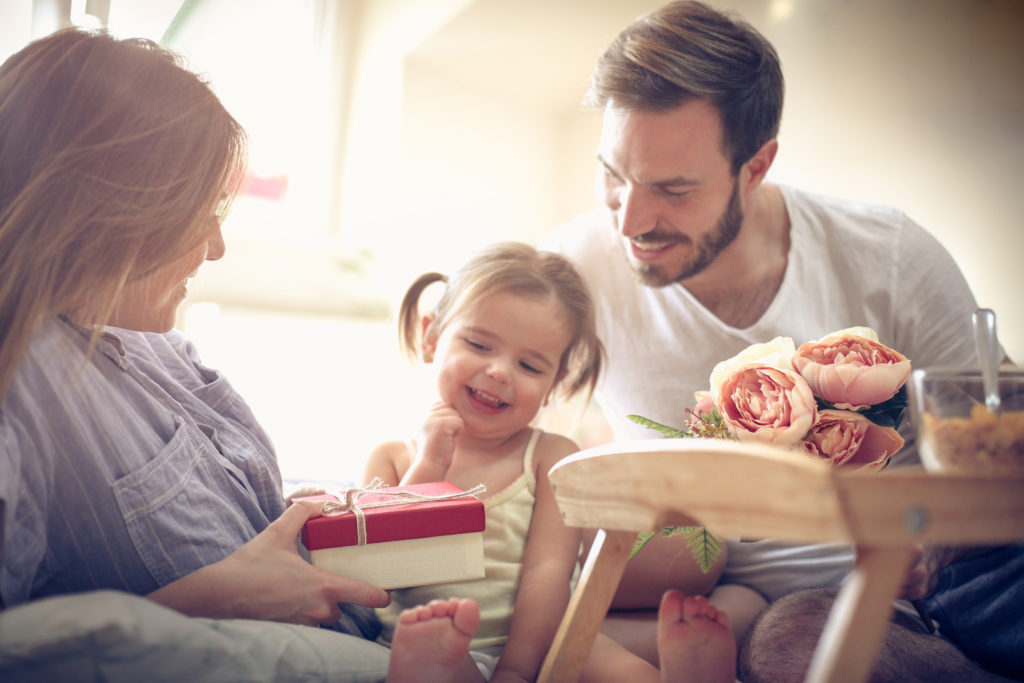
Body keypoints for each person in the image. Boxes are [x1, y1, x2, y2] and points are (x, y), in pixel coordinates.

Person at [542, 1, 1020, 680]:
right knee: (789, 638)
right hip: (741, 601)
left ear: (757, 165)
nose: (632, 219)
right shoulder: (574, 267)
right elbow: (489, 416)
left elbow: (1002, 448)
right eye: (614, 176)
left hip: (919, 587)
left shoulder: (888, 257)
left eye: (673, 189)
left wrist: (934, 547)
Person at [0, 27, 486, 682]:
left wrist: (297, 514)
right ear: (115, 210)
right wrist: (221, 594)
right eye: (200, 212)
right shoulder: (22, 380)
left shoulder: (159, 347)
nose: (217, 247)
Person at [363, 241, 737, 682]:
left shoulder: (549, 457)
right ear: (431, 337)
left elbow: (549, 571)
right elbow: (376, 575)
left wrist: (519, 670)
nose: (500, 372)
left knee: (613, 668)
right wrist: (428, 464)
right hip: (426, 638)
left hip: (538, 637)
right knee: (430, 665)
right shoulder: (392, 457)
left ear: (555, 382)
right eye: (480, 344)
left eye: (529, 365)